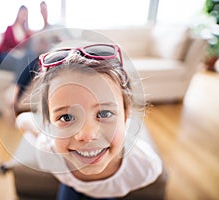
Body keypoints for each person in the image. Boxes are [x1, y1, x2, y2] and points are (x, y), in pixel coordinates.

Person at [14, 43, 164, 199]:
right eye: (67, 117)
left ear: (127, 114)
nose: (87, 134)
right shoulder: (48, 152)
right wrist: (23, 121)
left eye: (105, 113)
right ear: (51, 122)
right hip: (71, 185)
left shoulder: (144, 165)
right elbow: (40, 135)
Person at [0, 5, 33, 70]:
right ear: (18, 14)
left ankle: (19, 79)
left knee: (29, 58)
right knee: (22, 63)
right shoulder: (9, 29)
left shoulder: (27, 33)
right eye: (22, 13)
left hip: (19, 58)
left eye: (25, 15)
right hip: (5, 56)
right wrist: (15, 52)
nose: (23, 16)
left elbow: (28, 49)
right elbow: (5, 47)